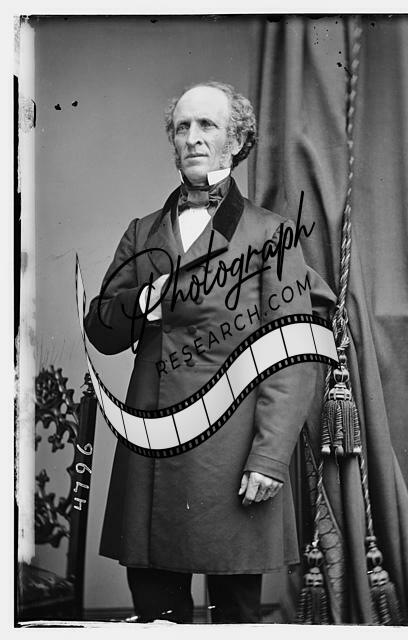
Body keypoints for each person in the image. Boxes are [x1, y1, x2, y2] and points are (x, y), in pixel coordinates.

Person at [84, 81, 333, 624]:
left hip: (232, 451)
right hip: (152, 446)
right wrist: (141, 303)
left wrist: (269, 457)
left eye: (207, 125)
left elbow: (294, 357)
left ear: (236, 141)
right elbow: (101, 330)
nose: (192, 137)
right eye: (182, 127)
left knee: (236, 618)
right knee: (156, 615)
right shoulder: (141, 232)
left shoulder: (272, 234)